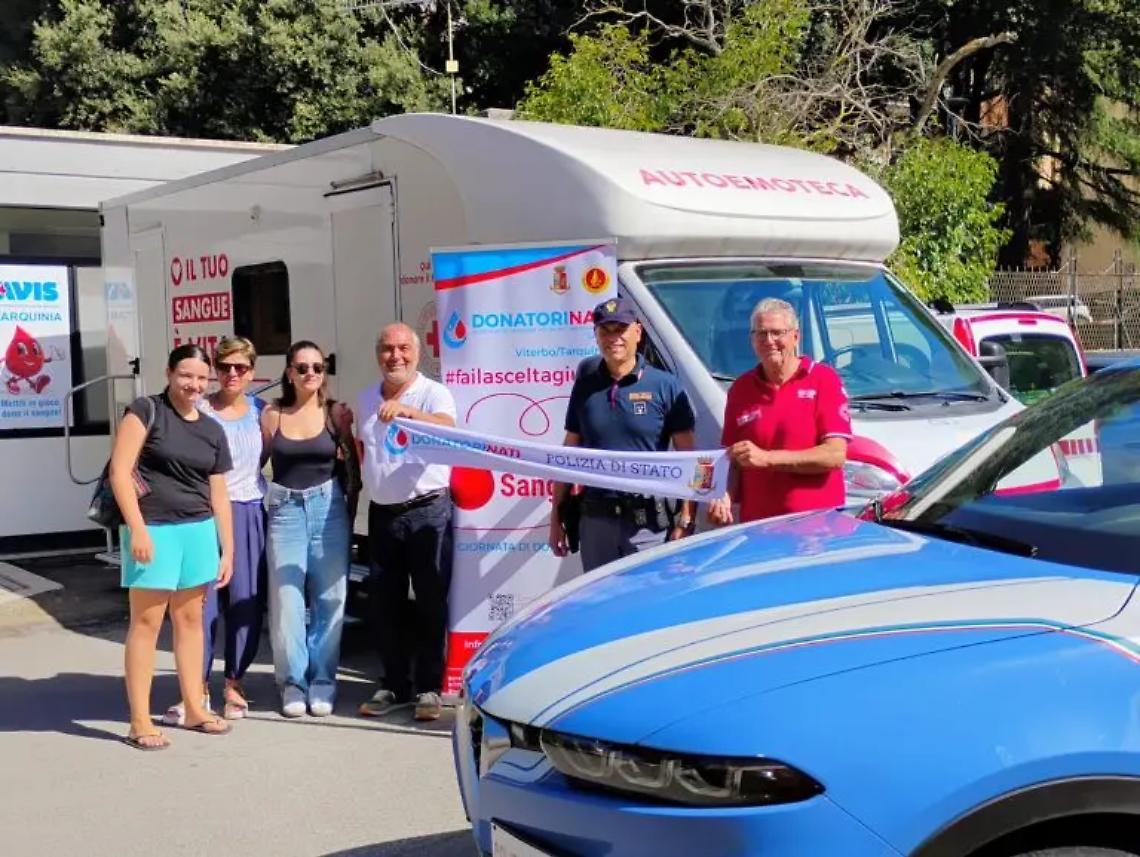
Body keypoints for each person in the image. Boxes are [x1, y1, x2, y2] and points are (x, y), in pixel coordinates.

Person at [110, 343, 234, 750]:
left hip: (197, 531)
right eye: (186, 375)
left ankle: (195, 707)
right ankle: (140, 720)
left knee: (191, 622)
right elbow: (120, 472)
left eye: (201, 377)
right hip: (154, 530)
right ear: (169, 373)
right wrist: (138, 530)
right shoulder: (146, 410)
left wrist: (227, 549)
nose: (194, 384)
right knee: (146, 624)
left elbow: (219, 495)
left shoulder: (212, 430)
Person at [549, 297, 698, 572]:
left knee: (647, 603)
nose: (613, 338)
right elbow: (568, 455)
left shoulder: (665, 386)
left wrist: (686, 520)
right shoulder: (585, 387)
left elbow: (692, 460)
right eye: (605, 330)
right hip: (596, 522)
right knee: (600, 604)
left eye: (621, 329)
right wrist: (555, 516)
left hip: (648, 525)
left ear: (637, 333)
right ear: (596, 336)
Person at [163, 337, 268, 725]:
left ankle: (235, 684)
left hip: (248, 511)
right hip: (201, 515)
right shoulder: (198, 411)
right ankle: (197, 688)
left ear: (252, 372)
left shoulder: (262, 412)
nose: (232, 374)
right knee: (199, 606)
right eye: (224, 367)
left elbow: (273, 454)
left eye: (241, 367)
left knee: (245, 602)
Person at [357, 322, 457, 722]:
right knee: (386, 604)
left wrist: (411, 413)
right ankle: (394, 685)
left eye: (402, 348)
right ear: (377, 354)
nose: (394, 356)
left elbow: (451, 430)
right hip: (382, 513)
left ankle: (429, 688)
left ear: (416, 353)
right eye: (386, 349)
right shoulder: (365, 397)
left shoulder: (434, 393)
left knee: (431, 602)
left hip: (427, 511)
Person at [261, 340, 359, 718]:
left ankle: (322, 680)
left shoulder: (335, 414)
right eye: (301, 368)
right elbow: (255, 466)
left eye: (317, 368)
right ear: (289, 373)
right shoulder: (273, 415)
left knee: (330, 600)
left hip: (328, 508)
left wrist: (348, 516)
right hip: (285, 510)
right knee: (286, 603)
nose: (310, 374)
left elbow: (352, 470)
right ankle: (292, 682)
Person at [709, 297, 851, 526]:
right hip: (758, 530)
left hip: (818, 530)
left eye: (777, 333)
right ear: (752, 340)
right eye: (761, 334)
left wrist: (767, 458)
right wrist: (725, 496)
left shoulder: (823, 380)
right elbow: (733, 461)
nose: (769, 341)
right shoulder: (741, 389)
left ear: (795, 336)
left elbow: (834, 455)